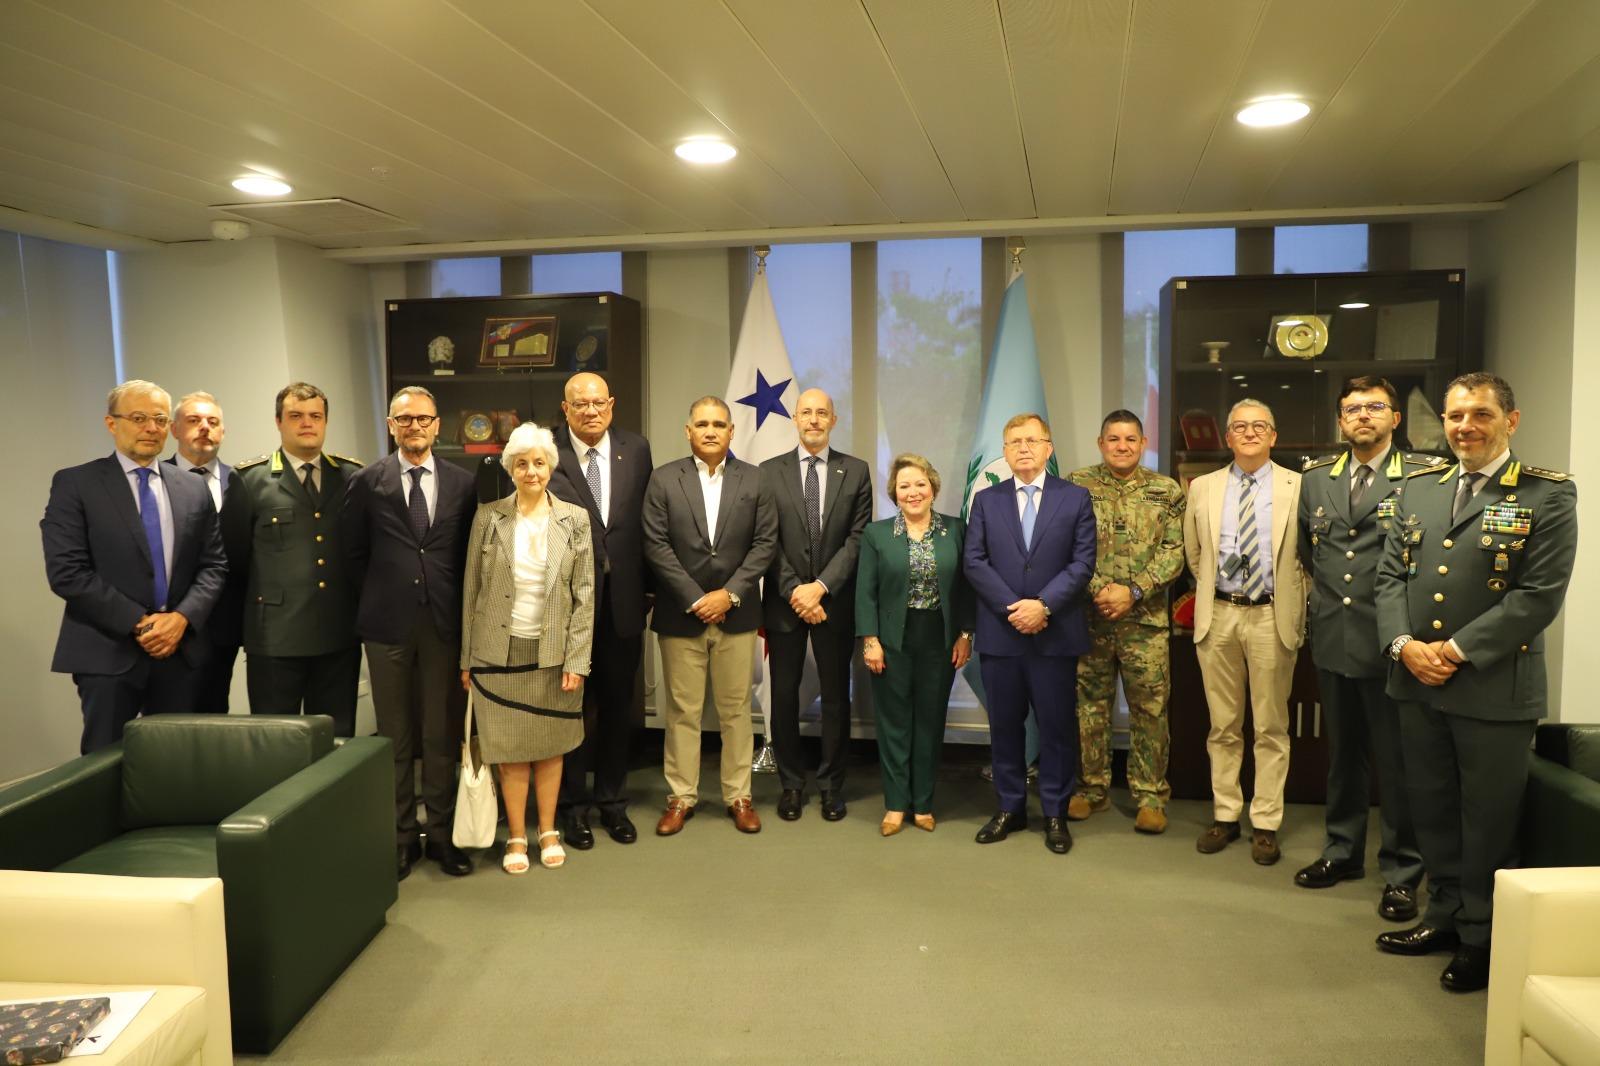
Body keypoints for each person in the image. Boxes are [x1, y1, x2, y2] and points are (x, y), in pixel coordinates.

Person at [1374, 372, 1577, 993]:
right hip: (1418, 681)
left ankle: (1482, 937)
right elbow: (1390, 578)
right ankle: (1442, 916)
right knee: (1431, 809)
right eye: (1456, 416)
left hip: (1493, 689)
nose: (1466, 427)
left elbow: (1538, 596)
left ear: (1510, 421)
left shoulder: (1547, 494)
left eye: (1481, 415)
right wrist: (1404, 646)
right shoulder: (1420, 488)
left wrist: (1455, 651)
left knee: (1487, 819)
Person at [1296, 377, 1431, 920]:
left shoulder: (1422, 475)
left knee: (1396, 763)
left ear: (1395, 418)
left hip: (1392, 639)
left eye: (1375, 407)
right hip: (1335, 635)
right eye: (1352, 409)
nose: (1362, 416)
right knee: (1343, 756)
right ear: (1340, 421)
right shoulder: (1317, 479)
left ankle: (1402, 871)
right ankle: (1342, 850)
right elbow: (1311, 551)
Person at [42, 380, 226, 753]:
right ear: (112, 423)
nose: (151, 428)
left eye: (159, 419)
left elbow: (214, 565)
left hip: (179, 651)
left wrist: (181, 619)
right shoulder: (76, 483)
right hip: (107, 650)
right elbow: (67, 572)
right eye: (139, 418)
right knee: (104, 763)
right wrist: (141, 623)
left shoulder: (192, 488)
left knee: (175, 761)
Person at [342, 385, 478, 881]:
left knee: (440, 734)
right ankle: (401, 837)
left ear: (437, 425)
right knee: (394, 736)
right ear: (391, 425)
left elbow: (468, 554)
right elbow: (352, 554)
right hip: (388, 626)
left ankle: (441, 835)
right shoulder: (366, 481)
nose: (414, 426)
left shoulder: (463, 483)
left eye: (423, 419)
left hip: (444, 625)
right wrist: (385, 592)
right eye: (404, 419)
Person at [460, 423, 595, 874]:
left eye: (539, 462)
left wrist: (577, 659)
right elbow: (471, 592)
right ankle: (517, 835)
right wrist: (467, 659)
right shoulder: (488, 517)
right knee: (509, 750)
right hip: (497, 652)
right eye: (522, 464)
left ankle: (548, 831)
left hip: (553, 653)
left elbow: (585, 596)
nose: (531, 471)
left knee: (551, 747)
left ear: (550, 467)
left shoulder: (574, 519)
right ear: (510, 469)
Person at [642, 396, 777, 836]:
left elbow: (765, 544)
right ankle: (681, 797)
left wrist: (730, 595)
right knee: (683, 711)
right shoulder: (664, 479)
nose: (711, 431)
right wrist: (697, 598)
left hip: (737, 616)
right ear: (688, 431)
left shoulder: (755, 479)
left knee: (736, 710)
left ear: (731, 432)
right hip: (681, 616)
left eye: (719, 424)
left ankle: (739, 796)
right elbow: (655, 544)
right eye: (702, 424)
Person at [964, 413, 1097, 855]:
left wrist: (1043, 605)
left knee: (1056, 728)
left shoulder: (1075, 498)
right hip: (1002, 635)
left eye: (1032, 440)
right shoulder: (986, 500)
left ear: (1048, 448)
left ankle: (1055, 812)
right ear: (1004, 452)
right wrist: (1014, 609)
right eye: (1015, 442)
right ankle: (1010, 807)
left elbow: (1083, 562)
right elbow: (974, 561)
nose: (1023, 448)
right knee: (1004, 727)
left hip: (1054, 634)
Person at [1183, 399, 1307, 866]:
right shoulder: (1203, 487)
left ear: (1273, 436)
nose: (1249, 433)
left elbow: (1309, 554)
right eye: (1240, 426)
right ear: (1227, 437)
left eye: (1259, 426)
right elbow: (1196, 555)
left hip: (1271, 616)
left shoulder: (1299, 485)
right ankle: (1226, 814)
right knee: (1223, 725)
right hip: (1220, 615)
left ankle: (1266, 821)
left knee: (1271, 726)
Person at [1066, 411, 1186, 834]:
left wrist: (1132, 591)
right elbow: (1065, 545)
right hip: (1090, 618)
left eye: (1130, 439)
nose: (1122, 446)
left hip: (1145, 623)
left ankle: (1150, 796)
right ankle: (1091, 788)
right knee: (1089, 708)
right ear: (1101, 443)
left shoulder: (1166, 491)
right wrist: (1099, 590)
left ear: (1143, 443)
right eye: (1114, 439)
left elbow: (1175, 552)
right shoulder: (1076, 485)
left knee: (1149, 710)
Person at [547, 371, 653, 848]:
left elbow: (646, 525)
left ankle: (612, 801)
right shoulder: (547, 451)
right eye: (580, 404)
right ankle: (572, 807)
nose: (591, 411)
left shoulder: (637, 448)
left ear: (611, 404)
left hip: (624, 603)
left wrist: (649, 593)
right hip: (567, 606)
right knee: (571, 707)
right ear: (565, 409)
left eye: (598, 403)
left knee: (616, 706)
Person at [221, 383, 362, 735]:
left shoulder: (351, 476)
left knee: (336, 739)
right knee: (274, 740)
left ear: (326, 421)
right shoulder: (250, 480)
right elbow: (235, 558)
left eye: (316, 416)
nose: (307, 423)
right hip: (275, 638)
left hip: (337, 633)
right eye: (296, 416)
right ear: (278, 422)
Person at [760, 388, 873, 822]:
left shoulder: (855, 471)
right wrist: (797, 591)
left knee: (836, 699)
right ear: (794, 418)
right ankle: (791, 784)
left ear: (833, 420)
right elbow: (766, 539)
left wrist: (821, 587)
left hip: (834, 602)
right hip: (785, 603)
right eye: (806, 412)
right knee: (783, 696)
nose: (813, 419)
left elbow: (858, 539)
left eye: (821, 413)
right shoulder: (768, 472)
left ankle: (830, 786)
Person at [857, 454, 973, 835]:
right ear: (894, 493)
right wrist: (870, 640)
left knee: (929, 722)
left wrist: (966, 634)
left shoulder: (956, 530)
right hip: (892, 641)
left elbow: (967, 588)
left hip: (940, 640)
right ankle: (895, 805)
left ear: (933, 489)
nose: (913, 492)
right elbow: (866, 592)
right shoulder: (876, 535)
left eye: (920, 484)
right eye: (904, 486)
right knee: (893, 724)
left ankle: (923, 804)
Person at [164, 390, 237, 712]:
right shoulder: (152, 480)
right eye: (194, 420)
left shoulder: (242, 482)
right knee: (167, 720)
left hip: (223, 626)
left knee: (216, 715)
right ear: (174, 429)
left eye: (213, 422)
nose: (204, 427)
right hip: (169, 622)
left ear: (223, 431)